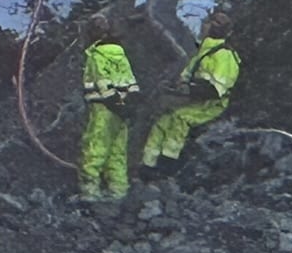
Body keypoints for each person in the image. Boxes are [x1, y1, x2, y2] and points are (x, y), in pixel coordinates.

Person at [140, 17, 240, 176]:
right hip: (195, 100)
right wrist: (177, 86)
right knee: (163, 120)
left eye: (210, 24)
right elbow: (187, 75)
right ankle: (148, 165)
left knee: (180, 118)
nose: (205, 26)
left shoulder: (223, 55)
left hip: (210, 105)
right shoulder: (205, 51)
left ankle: (168, 163)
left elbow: (215, 90)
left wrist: (188, 89)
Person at [79, 16, 139, 202]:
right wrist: (128, 107)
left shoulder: (96, 57)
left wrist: (116, 105)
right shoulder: (121, 56)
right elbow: (132, 85)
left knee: (95, 148)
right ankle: (118, 191)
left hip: (104, 110)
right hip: (122, 112)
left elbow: (104, 87)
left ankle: (90, 192)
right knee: (117, 152)